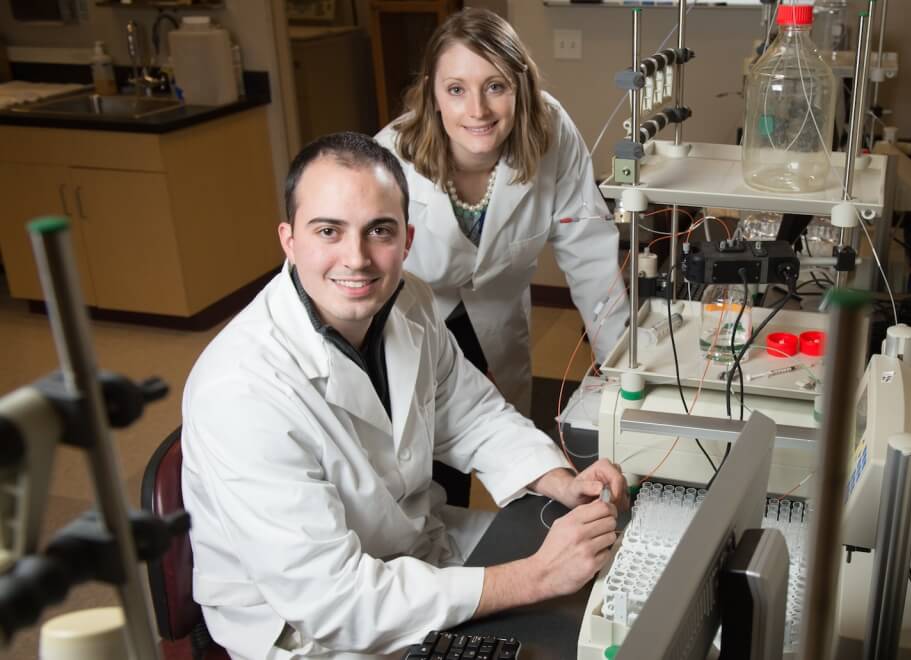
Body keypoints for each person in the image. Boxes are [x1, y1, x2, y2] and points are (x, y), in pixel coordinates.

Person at [180, 132, 627, 660]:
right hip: (308, 630)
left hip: (415, 549)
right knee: (553, 624)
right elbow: (335, 600)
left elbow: (471, 414)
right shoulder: (240, 390)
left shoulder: (406, 299)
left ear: (407, 239)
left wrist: (560, 481)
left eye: (379, 231)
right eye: (329, 230)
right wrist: (534, 577)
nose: (358, 258)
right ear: (289, 239)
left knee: (607, 577)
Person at [376, 8, 628, 418]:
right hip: (412, 322)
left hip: (498, 319)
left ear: (521, 87)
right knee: (435, 465)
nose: (477, 110)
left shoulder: (551, 131)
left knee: (511, 448)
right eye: (456, 89)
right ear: (432, 94)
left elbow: (590, 256)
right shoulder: (388, 157)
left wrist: (621, 368)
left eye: (495, 86)